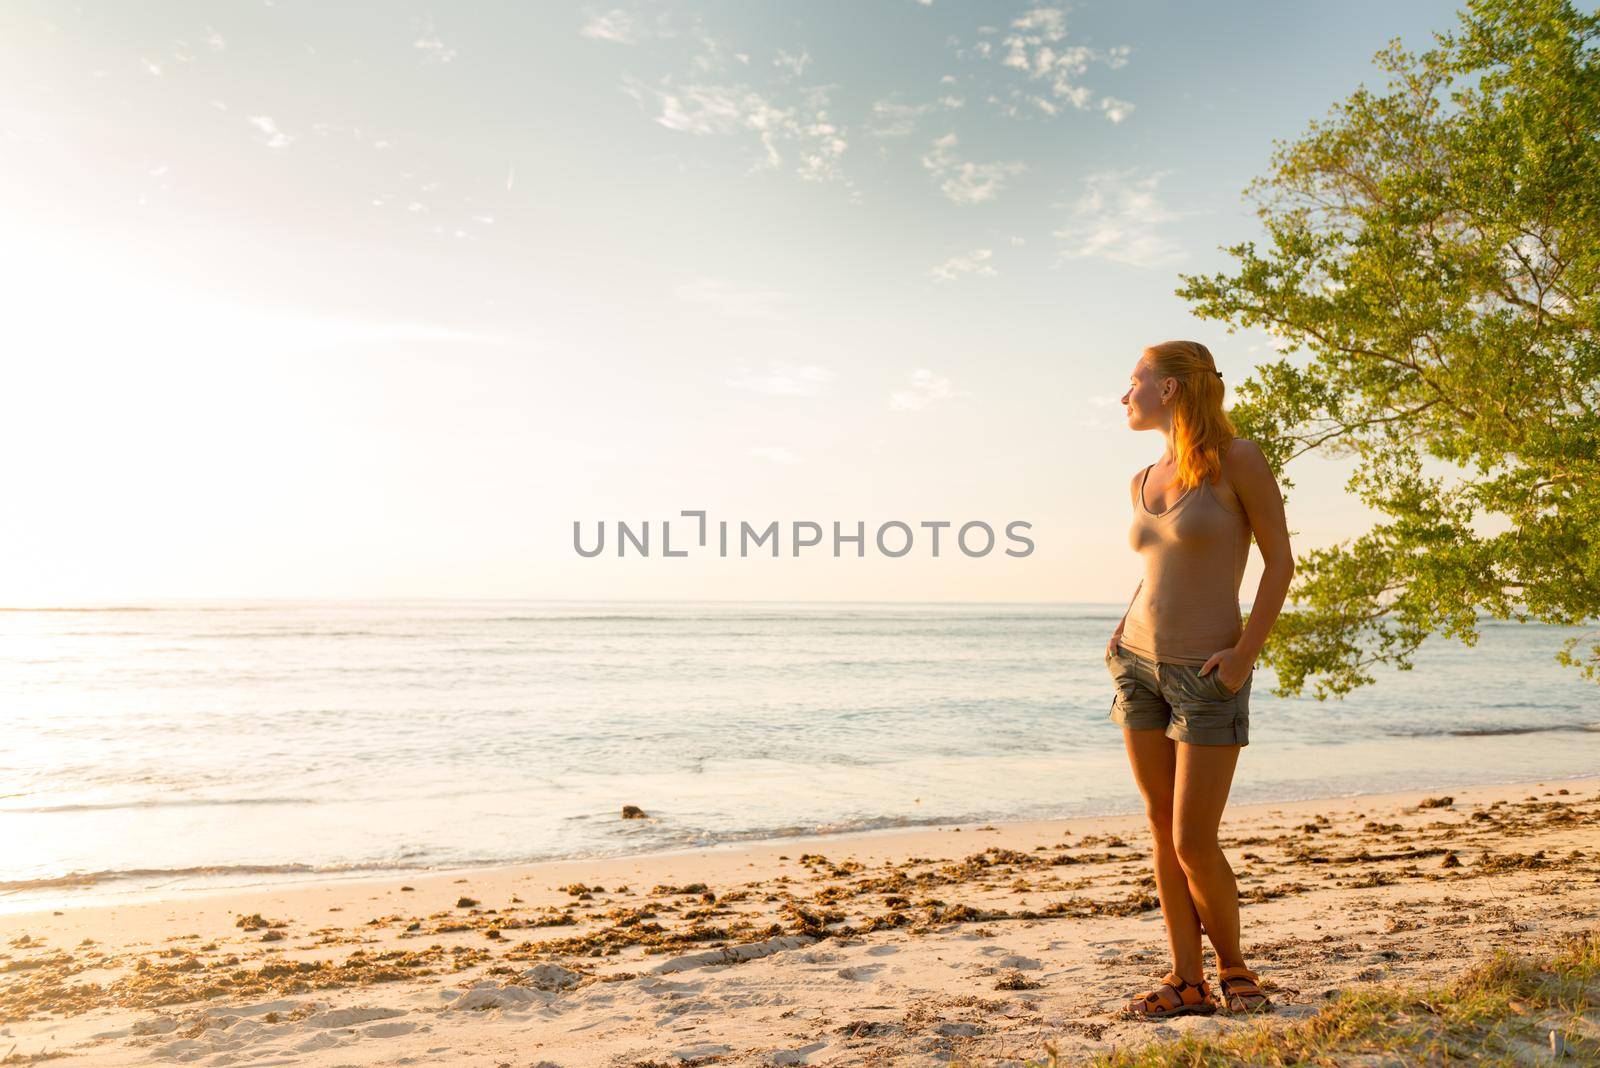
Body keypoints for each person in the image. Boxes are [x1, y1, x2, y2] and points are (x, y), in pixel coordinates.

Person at [1104, 339, 1294, 1019]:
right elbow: (1157, 572)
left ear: (1172, 390)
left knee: (1192, 839)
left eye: (1134, 381)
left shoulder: (1238, 461)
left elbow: (1279, 563)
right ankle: (1187, 981)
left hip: (1209, 673)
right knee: (1160, 827)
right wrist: (1120, 634)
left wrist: (1246, 653)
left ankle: (1235, 969)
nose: (1125, 394)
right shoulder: (1143, 478)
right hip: (1137, 665)